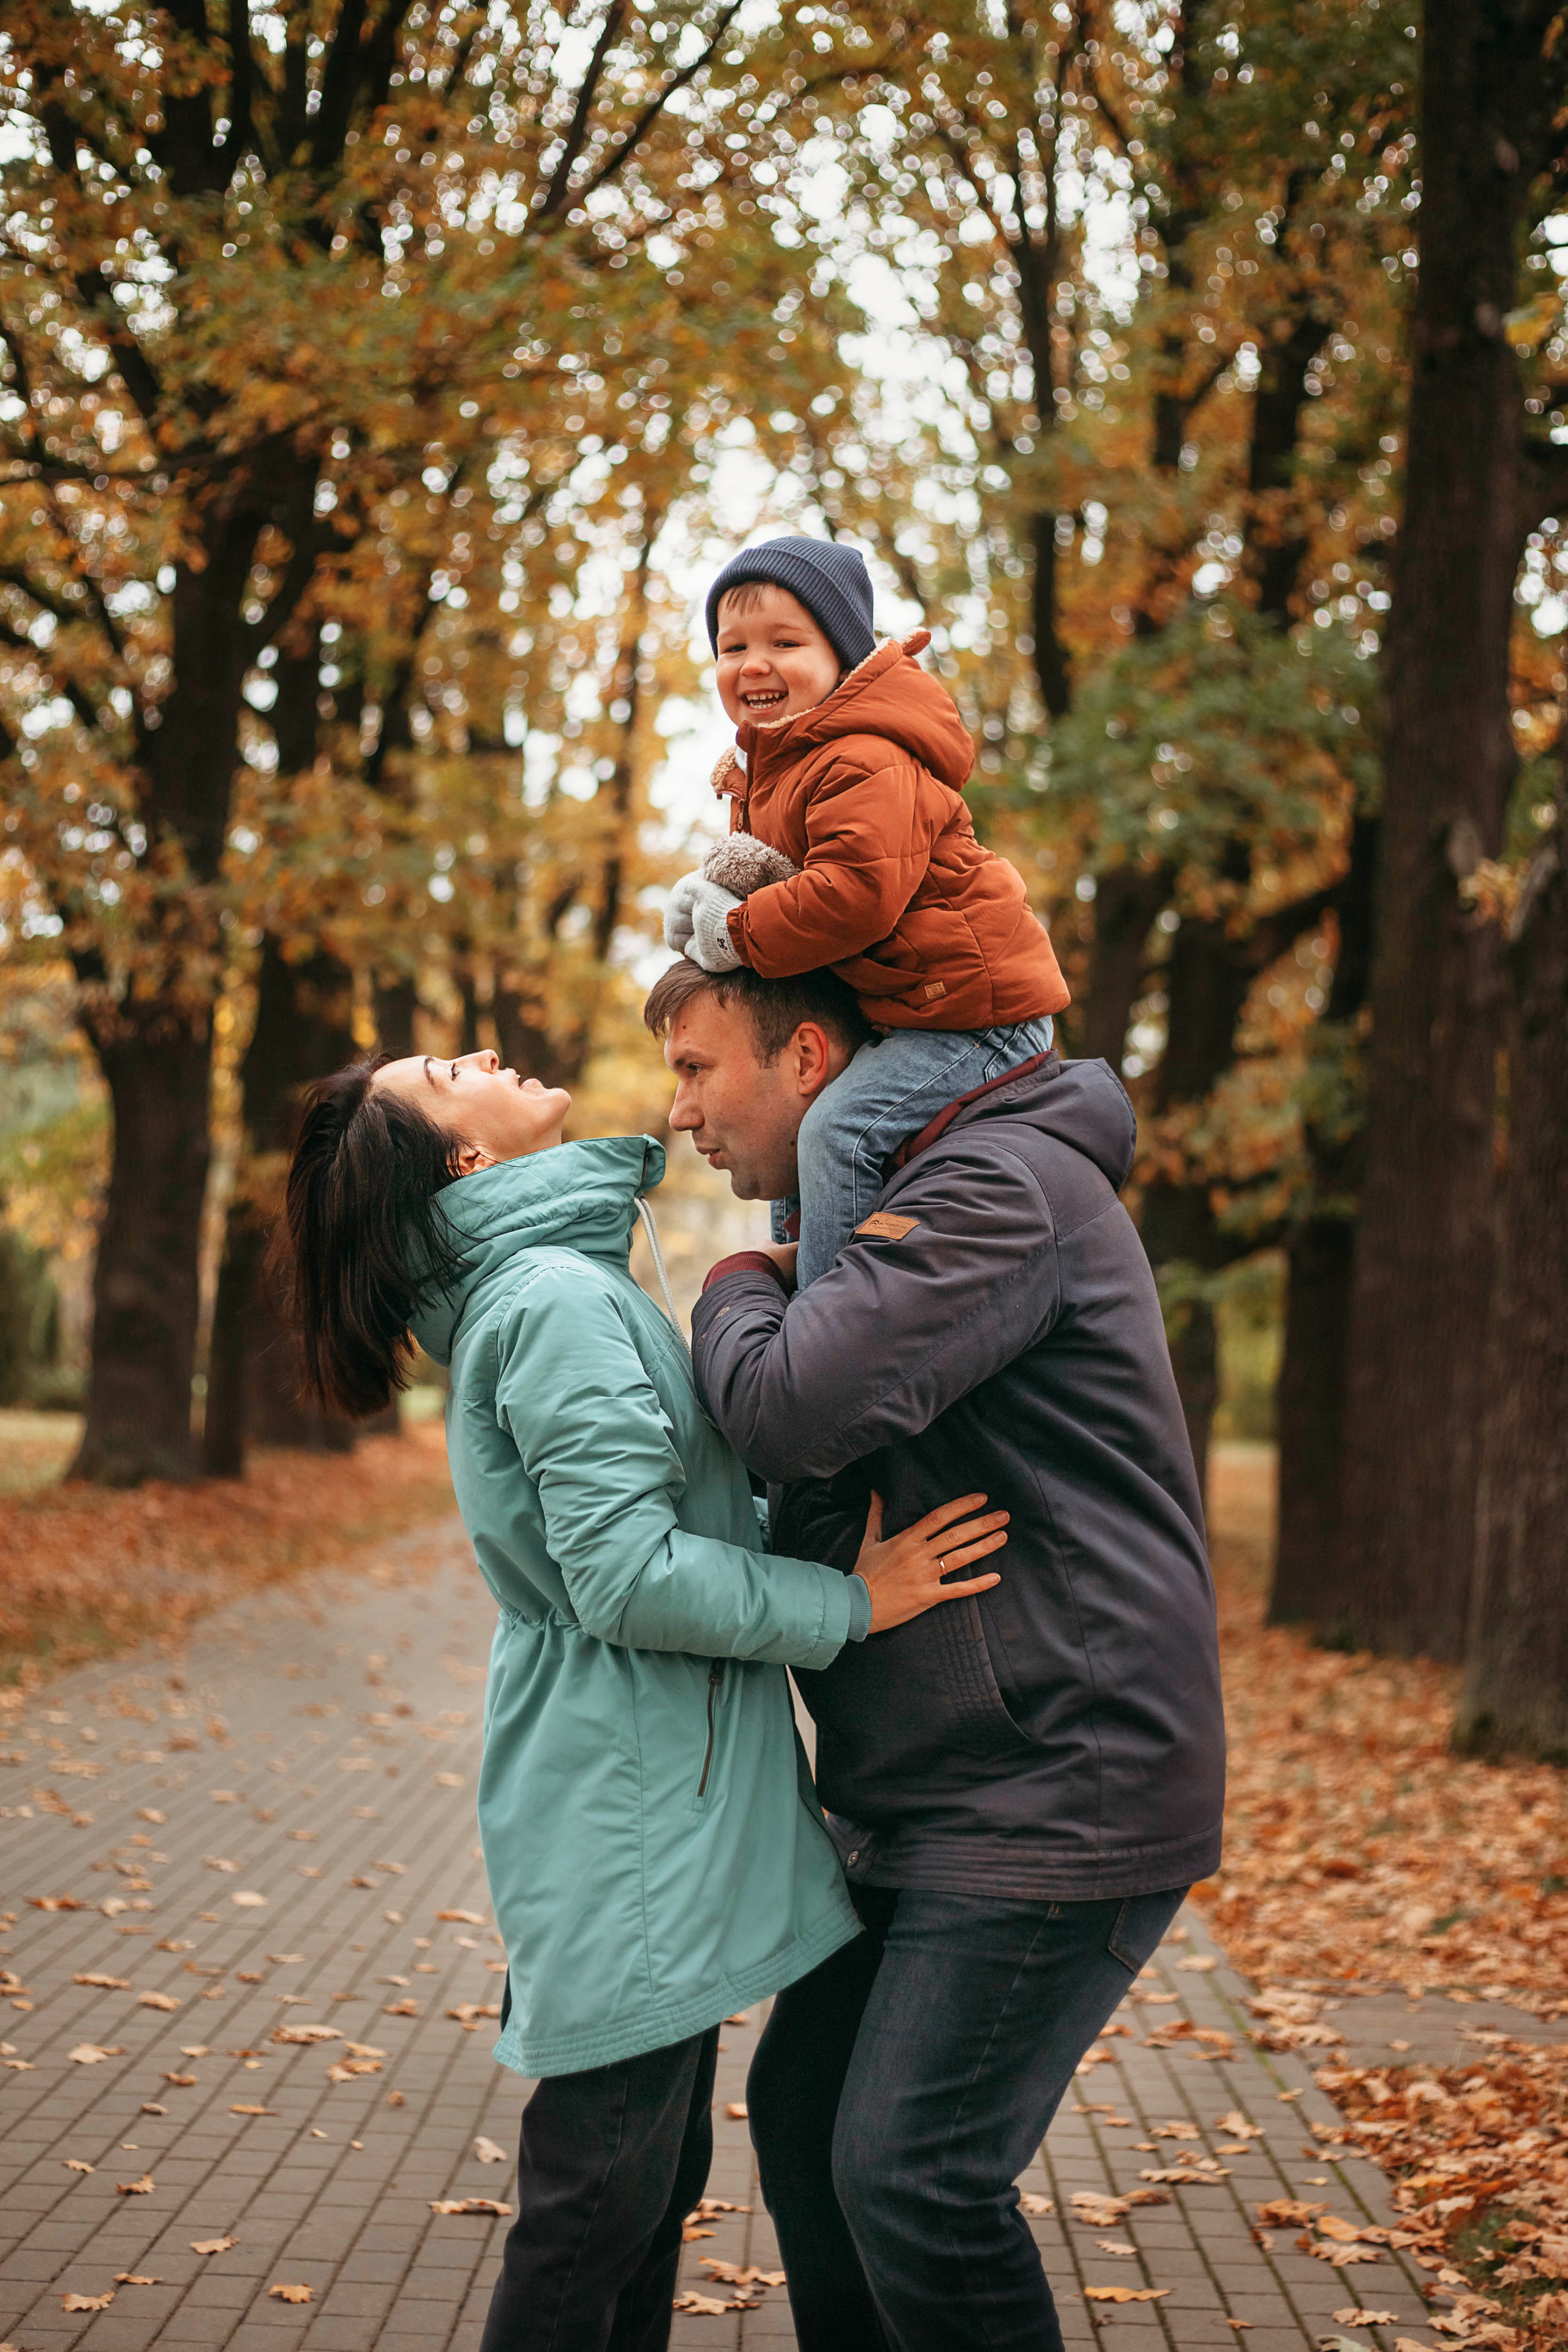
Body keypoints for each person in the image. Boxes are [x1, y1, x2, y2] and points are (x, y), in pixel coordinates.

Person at [278, 1045, 1009, 2352]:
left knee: (640, 2195)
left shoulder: (551, 1284)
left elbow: (677, 1515)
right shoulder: (550, 1298)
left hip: (636, 1798)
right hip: (627, 1824)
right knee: (592, 2210)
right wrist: (853, 1604)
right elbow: (623, 1574)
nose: (481, 1051)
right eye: (448, 1071)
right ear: (467, 1160)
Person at [644, 956, 1227, 2352]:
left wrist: (735, 1276)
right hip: (936, 1779)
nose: (678, 1111)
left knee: (911, 2171)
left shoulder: (990, 1191)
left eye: (694, 1067)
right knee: (803, 2121)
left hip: (1055, 1773)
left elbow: (784, 1411)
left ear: (801, 1059)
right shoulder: (892, 1213)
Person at [663, 534, 1071, 1286]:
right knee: (794, 1116)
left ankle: (829, 1317)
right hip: (909, 1007)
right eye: (732, 647)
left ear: (841, 658)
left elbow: (855, 896)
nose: (754, 663)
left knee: (840, 1132)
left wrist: (737, 931)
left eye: (785, 642)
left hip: (975, 1017)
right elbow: (771, 874)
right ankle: (798, 1276)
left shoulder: (865, 755)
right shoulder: (772, 765)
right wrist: (709, 902)